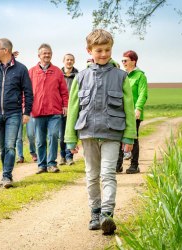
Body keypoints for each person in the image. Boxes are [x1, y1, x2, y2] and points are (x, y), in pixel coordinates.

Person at [64, 29, 136, 235]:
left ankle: (107, 214)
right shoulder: (81, 77)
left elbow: (128, 110)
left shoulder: (121, 77)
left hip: (113, 133)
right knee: (92, 175)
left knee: (108, 174)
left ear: (111, 49)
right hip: (87, 133)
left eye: (107, 49)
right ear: (89, 50)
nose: (103, 54)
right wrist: (70, 139)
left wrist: (129, 136)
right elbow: (73, 109)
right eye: (99, 50)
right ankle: (94, 213)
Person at [0, 38, 33, 188]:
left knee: (10, 145)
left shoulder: (21, 69)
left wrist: (27, 112)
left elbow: (28, 92)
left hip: (14, 113)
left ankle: (6, 176)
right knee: (1, 147)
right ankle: (6, 173)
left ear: (5, 50)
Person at [29, 43, 69, 174]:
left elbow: (64, 91)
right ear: (39, 55)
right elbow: (27, 92)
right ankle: (42, 165)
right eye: (44, 53)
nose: (47, 55)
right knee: (40, 140)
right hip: (37, 112)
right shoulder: (32, 72)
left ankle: (52, 164)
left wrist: (65, 105)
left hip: (54, 111)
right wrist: (26, 107)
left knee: (53, 136)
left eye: (49, 53)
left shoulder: (57, 71)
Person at [116, 50, 148, 174]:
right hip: (120, 112)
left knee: (132, 138)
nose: (123, 62)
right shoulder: (122, 75)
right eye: (122, 60)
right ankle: (118, 165)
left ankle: (134, 165)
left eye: (125, 60)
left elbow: (143, 94)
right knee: (118, 138)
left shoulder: (140, 76)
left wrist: (138, 108)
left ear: (133, 61)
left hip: (134, 112)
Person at [59, 53, 78, 166]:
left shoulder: (78, 75)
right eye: (67, 60)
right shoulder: (58, 74)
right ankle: (62, 157)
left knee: (71, 134)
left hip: (73, 108)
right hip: (60, 109)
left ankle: (69, 157)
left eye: (71, 60)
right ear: (64, 61)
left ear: (74, 62)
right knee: (62, 136)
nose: (69, 61)